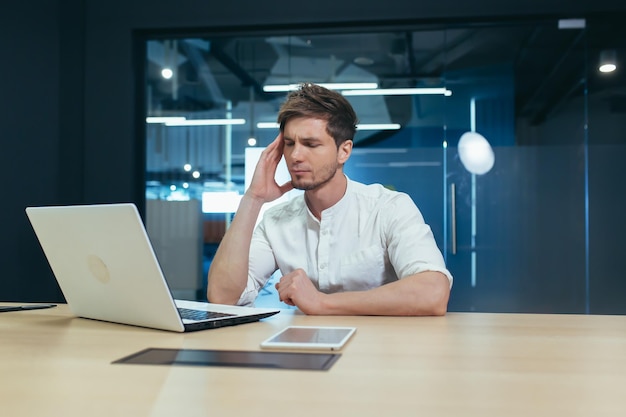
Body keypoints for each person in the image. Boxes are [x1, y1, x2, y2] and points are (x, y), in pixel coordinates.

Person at [207, 83, 452, 316]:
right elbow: (223, 297)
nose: (295, 156)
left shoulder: (389, 208)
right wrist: (253, 198)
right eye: (290, 144)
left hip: (380, 353)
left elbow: (433, 292)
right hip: (304, 352)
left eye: (311, 144)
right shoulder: (275, 222)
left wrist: (321, 303)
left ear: (343, 151)